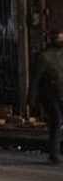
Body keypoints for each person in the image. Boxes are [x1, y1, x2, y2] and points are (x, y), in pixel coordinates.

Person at [29, 28, 63, 165]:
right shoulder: (43, 57)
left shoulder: (60, 55)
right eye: (59, 38)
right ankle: (54, 153)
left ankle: (54, 153)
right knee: (56, 120)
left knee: (57, 122)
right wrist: (31, 97)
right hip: (49, 94)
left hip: (60, 92)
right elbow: (35, 78)